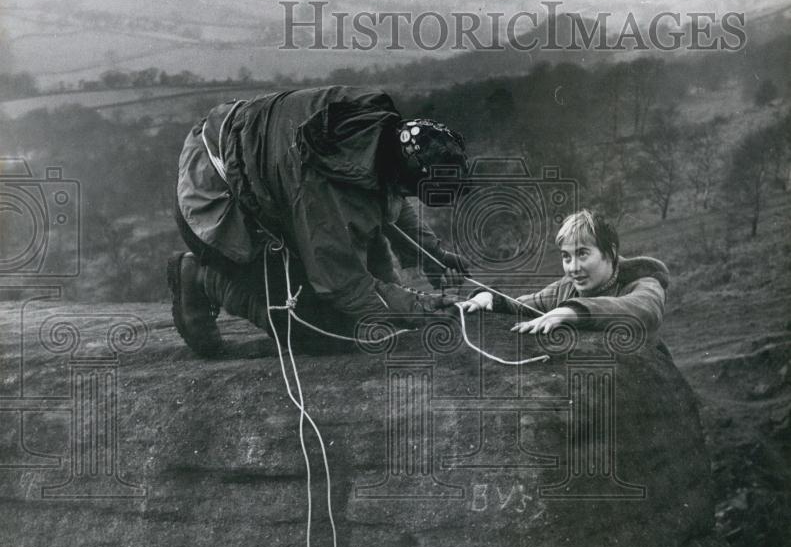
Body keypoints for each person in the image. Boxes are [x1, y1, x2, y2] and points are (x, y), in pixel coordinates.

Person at [168, 86, 468, 356]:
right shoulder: (323, 192)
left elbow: (387, 192)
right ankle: (202, 277)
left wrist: (431, 253)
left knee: (383, 301)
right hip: (211, 203)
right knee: (334, 331)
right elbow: (344, 286)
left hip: (242, 152)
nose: (404, 196)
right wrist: (415, 309)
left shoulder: (379, 127)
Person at [458, 208, 669, 338]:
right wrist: (490, 298)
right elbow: (523, 305)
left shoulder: (644, 284)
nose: (573, 268)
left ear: (610, 253)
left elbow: (644, 310)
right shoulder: (565, 288)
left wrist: (571, 312)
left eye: (582, 254)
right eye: (566, 257)